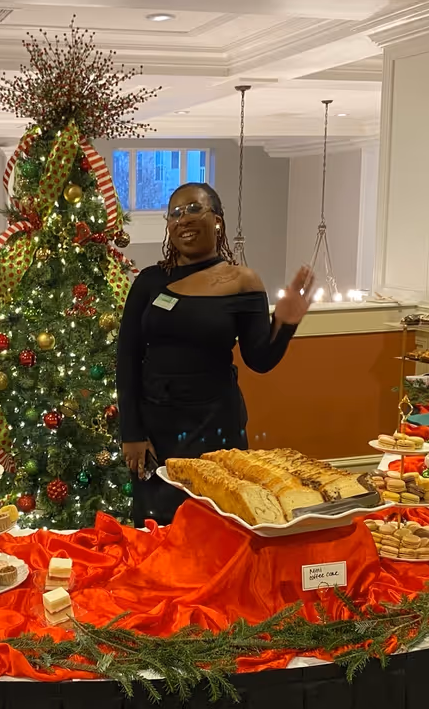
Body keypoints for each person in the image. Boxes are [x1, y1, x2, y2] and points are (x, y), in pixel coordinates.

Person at [117, 182, 316, 525]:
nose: (183, 220)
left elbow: (260, 359)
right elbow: (127, 355)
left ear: (218, 220)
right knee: (159, 520)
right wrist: (131, 432)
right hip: (157, 425)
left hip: (216, 424)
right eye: (175, 214)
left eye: (195, 209)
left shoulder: (243, 282)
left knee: (218, 517)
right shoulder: (149, 281)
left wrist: (285, 322)